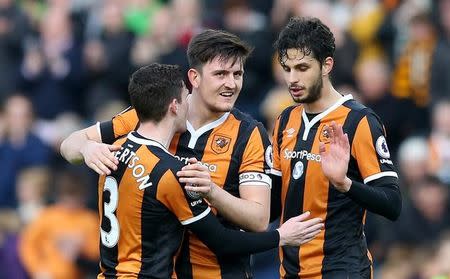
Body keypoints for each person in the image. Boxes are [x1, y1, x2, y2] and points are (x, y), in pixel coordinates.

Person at [60, 29, 324, 278]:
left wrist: (212, 191)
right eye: (221, 74)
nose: (231, 83)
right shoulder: (154, 114)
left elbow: (258, 219)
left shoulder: (248, 134)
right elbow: (70, 143)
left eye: (237, 74)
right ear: (194, 78)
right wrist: (86, 147)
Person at [269, 17, 402, 278]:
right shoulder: (285, 120)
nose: (292, 79)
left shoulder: (359, 121)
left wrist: (344, 184)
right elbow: (272, 206)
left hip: (342, 269)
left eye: (302, 68)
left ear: (326, 64)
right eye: (287, 68)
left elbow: (392, 204)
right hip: (290, 271)